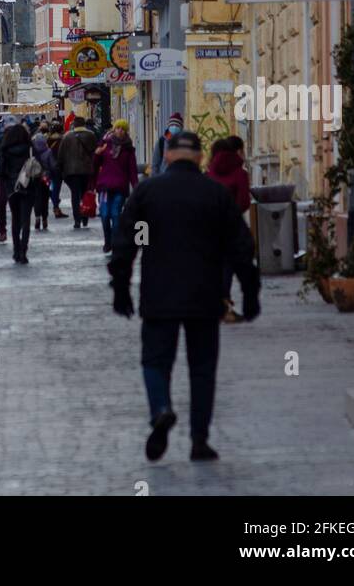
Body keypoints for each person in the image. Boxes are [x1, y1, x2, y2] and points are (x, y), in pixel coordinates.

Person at [109, 129, 260, 463]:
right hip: (205, 295)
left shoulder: (149, 194)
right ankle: (199, 441)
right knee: (202, 369)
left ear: (167, 156)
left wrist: (121, 287)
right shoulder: (215, 195)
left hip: (159, 294)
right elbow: (240, 246)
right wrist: (250, 292)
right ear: (200, 158)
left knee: (154, 361)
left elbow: (130, 241)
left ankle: (161, 408)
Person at [207, 136, 252, 323]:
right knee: (228, 265)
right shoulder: (240, 173)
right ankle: (223, 305)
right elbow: (244, 201)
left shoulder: (209, 173)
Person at [0, 117, 42, 263]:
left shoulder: (5, 150)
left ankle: (16, 251)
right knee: (26, 219)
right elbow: (37, 166)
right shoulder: (30, 148)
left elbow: (0, 170)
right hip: (28, 187)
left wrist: (6, 180)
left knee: (15, 219)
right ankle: (23, 250)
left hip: (12, 188)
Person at [94, 120, 139, 253]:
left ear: (126, 132)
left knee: (115, 214)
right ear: (114, 129)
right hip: (105, 186)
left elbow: (132, 170)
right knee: (104, 215)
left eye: (123, 129)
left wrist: (136, 188)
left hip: (120, 187)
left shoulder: (128, 149)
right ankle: (107, 241)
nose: (120, 130)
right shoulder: (105, 144)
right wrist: (97, 154)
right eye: (118, 128)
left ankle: (114, 243)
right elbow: (95, 165)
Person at [56, 116, 99, 228]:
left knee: (75, 195)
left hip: (71, 171)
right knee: (85, 194)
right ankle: (85, 217)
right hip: (87, 170)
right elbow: (96, 152)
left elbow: (60, 156)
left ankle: (77, 220)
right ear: (84, 124)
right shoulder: (91, 135)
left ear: (74, 124)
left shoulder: (67, 137)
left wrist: (61, 170)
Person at [31, 122, 55, 230]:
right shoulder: (48, 152)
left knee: (36, 198)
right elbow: (52, 165)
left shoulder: (32, 153)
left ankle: (37, 217)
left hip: (35, 178)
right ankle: (45, 219)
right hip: (46, 178)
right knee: (45, 199)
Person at [47, 124, 67, 218]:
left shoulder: (48, 140)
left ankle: (55, 201)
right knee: (56, 188)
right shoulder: (62, 140)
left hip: (48, 166)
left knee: (51, 187)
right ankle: (56, 206)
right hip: (58, 167)